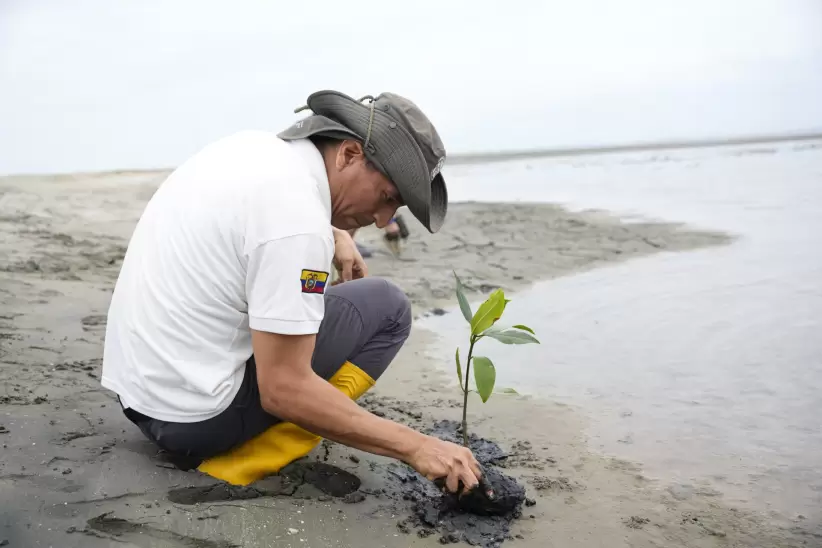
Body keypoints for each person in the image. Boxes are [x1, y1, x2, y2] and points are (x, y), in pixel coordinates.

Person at [100, 90, 480, 495]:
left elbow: (256, 226)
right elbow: (283, 390)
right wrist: (417, 446)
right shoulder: (297, 224)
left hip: (138, 396)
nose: (383, 219)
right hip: (194, 422)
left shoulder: (254, 151)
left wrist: (334, 233)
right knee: (388, 309)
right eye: (387, 197)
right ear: (349, 154)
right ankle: (249, 459)